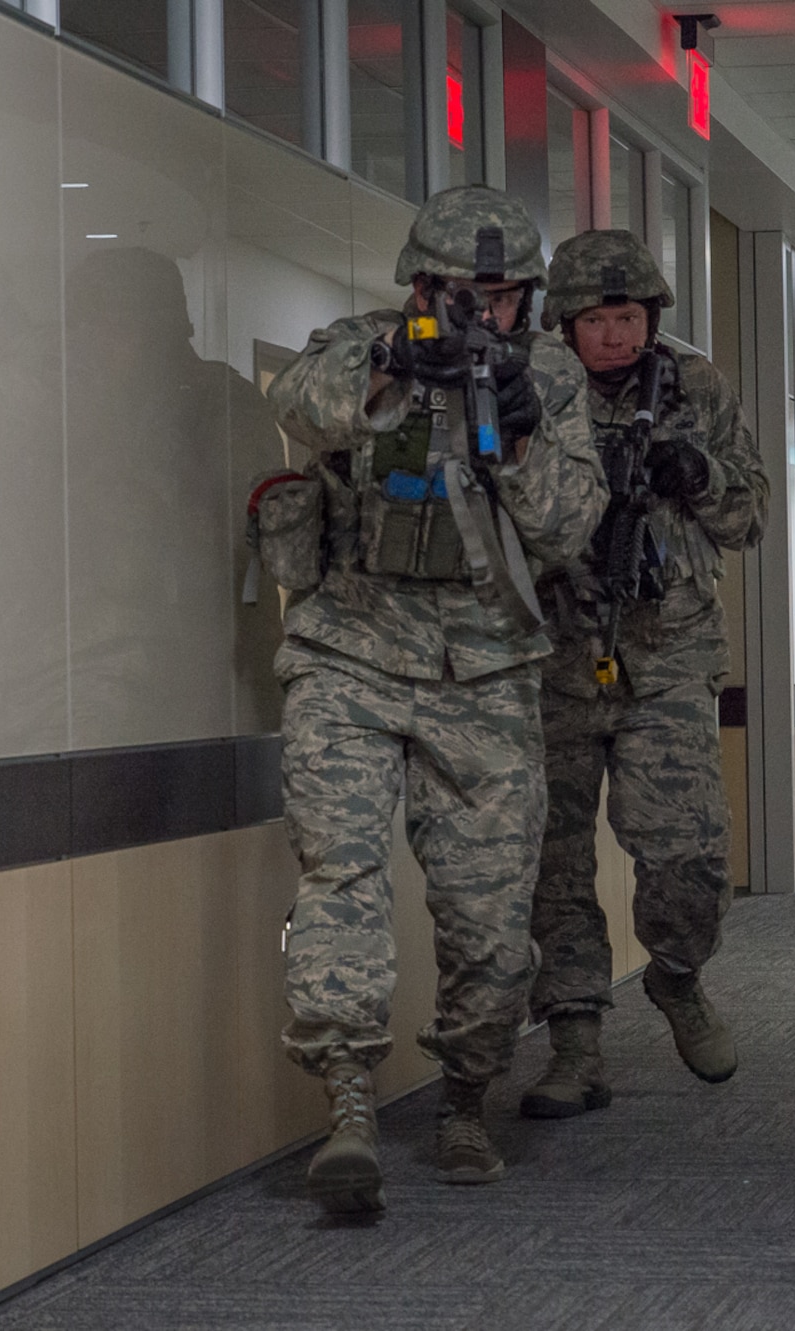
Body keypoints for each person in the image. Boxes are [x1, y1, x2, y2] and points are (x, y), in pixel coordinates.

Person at [262, 186, 607, 1215]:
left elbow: (564, 527)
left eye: (500, 297)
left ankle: (465, 1093)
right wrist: (388, 369)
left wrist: (524, 422)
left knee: (492, 919)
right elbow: (298, 401)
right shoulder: (364, 343)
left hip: (488, 670)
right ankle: (348, 1102)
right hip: (350, 655)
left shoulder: (548, 376)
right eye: (457, 294)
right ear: (418, 286)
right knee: (340, 878)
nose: (479, 314)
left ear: (528, 299)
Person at [518, 228, 768, 1118]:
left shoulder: (695, 387)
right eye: (597, 319)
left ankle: (676, 975)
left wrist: (695, 471)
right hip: (553, 655)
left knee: (690, 854)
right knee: (553, 864)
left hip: (667, 655)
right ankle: (575, 1043)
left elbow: (750, 516)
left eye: (629, 317)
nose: (615, 336)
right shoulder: (537, 389)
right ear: (566, 323)